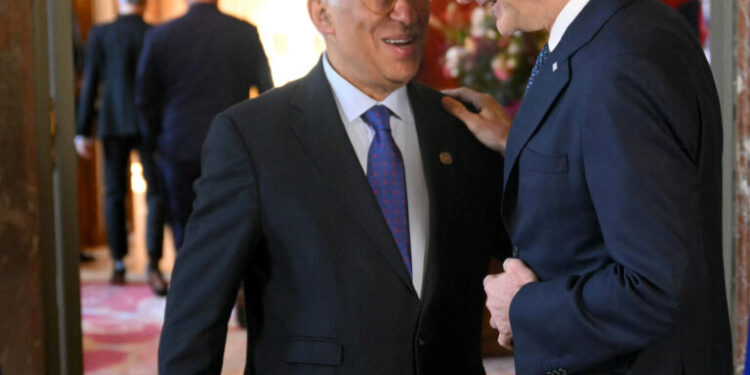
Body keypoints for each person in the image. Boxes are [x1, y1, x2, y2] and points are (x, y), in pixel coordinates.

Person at [158, 0, 509, 373]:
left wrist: (515, 147)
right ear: (322, 14)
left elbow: (541, 253)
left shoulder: (468, 127)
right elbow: (194, 322)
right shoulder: (252, 137)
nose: (408, 15)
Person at [442, 0, 733, 373]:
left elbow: (657, 289)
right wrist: (522, 143)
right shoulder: (613, 31)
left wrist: (522, 308)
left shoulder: (622, 60)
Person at [135, 0, 273, 252]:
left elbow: (145, 100)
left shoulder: (160, 35)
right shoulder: (243, 32)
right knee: (234, 223)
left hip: (178, 144)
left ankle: (192, 287)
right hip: (232, 146)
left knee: (185, 226)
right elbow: (266, 93)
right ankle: (234, 288)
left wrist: (155, 142)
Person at [75, 0, 168, 296]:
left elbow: (91, 83)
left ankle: (118, 263)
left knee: (114, 193)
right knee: (155, 193)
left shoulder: (101, 34)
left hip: (112, 123)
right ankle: (153, 261)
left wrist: (82, 130)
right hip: (149, 125)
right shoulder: (156, 33)